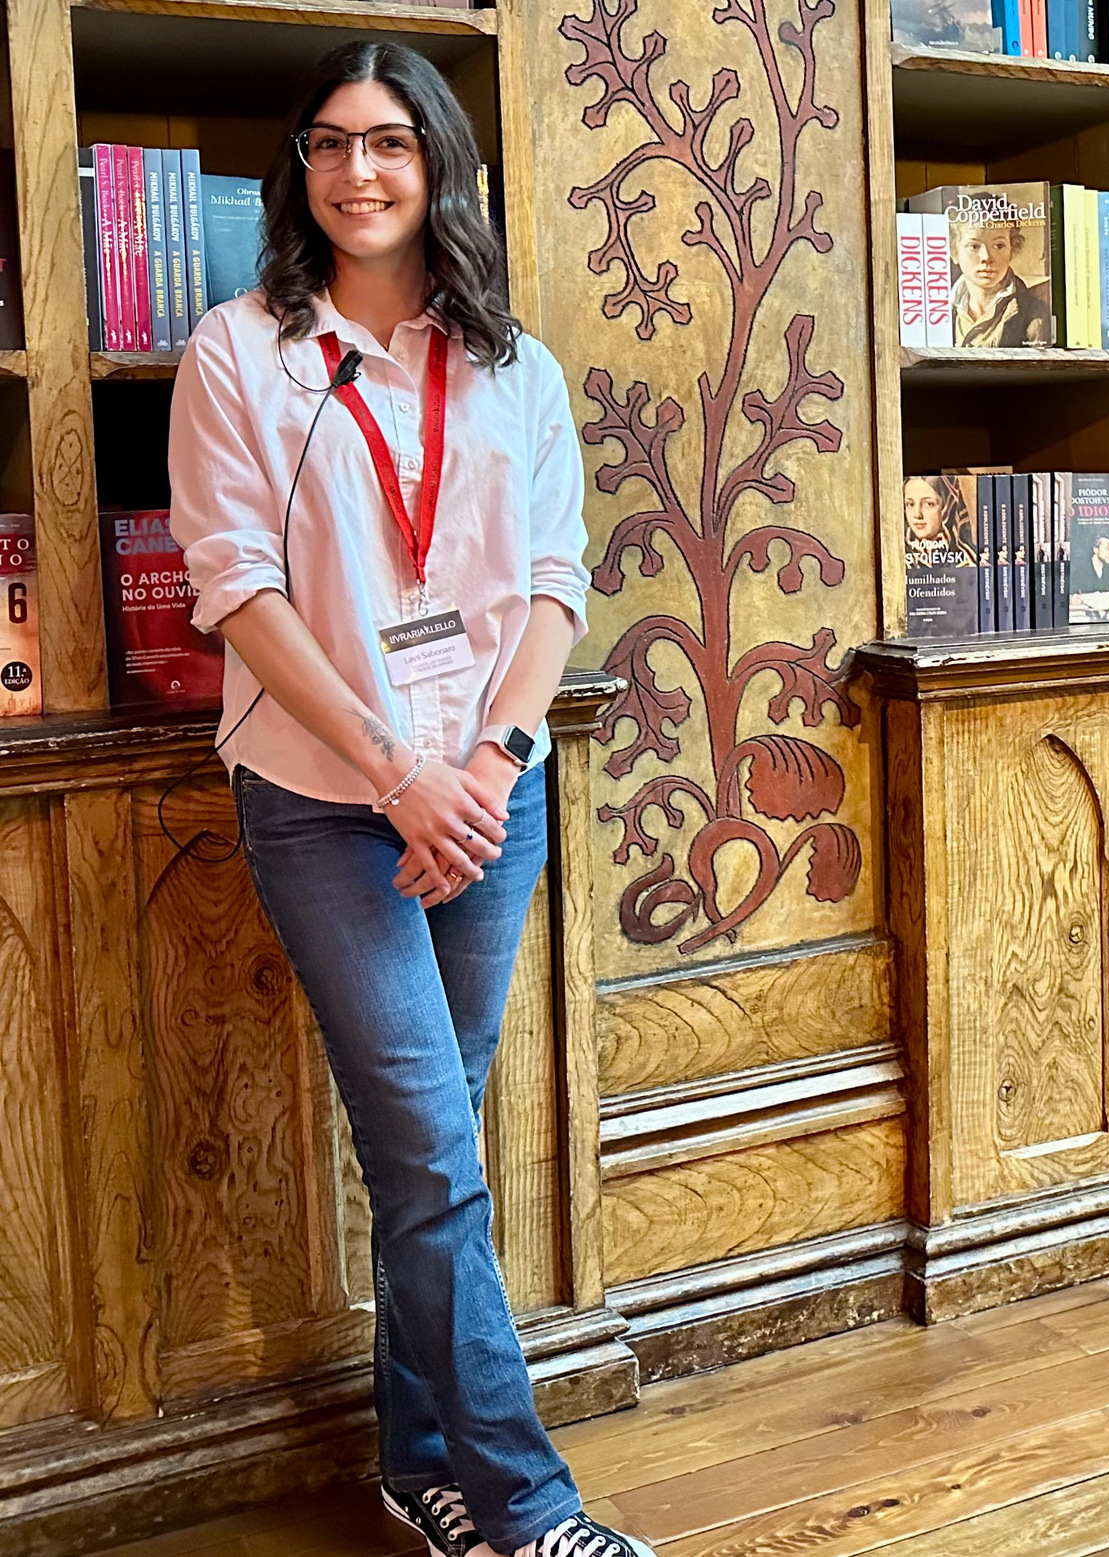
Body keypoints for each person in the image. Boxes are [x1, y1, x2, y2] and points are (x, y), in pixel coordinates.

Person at [166, 40, 652, 1557]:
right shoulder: (242, 354)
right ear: (295, 172)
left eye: (389, 144)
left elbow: (558, 582)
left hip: (489, 805)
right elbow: (237, 588)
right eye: (327, 146)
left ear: (439, 164)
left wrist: (491, 767)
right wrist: (397, 774)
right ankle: (529, 1508)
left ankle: (416, 1463)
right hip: (325, 801)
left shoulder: (518, 366)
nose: (357, 174)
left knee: (427, 1149)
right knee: (437, 1157)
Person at [951, 217, 1054, 347]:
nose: (987, 257)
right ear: (954, 252)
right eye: (974, 246)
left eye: (999, 246)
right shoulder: (939, 307)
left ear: (1011, 250)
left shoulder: (1036, 314)